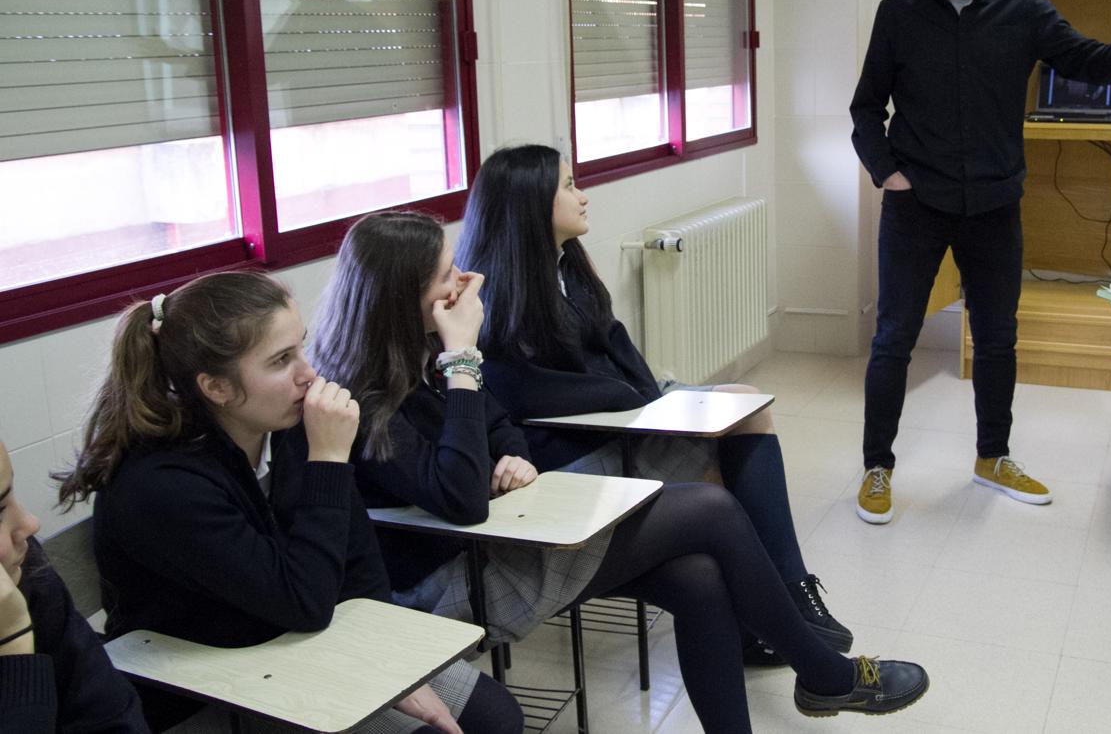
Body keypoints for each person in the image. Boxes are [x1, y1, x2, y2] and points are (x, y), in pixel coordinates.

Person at [307, 210, 930, 734]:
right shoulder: (359, 398)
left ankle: (817, 680)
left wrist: (510, 453)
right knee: (710, 511)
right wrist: (464, 359)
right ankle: (827, 675)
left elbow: (502, 427)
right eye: (448, 275)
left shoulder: (421, 354)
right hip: (450, 582)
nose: (467, 281)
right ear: (401, 297)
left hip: (506, 541)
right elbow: (462, 499)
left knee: (698, 575)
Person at [54, 271, 522, 734]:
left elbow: (359, 561)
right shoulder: (161, 485)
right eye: (281, 360)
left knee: (494, 715)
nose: (309, 373)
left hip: (300, 641)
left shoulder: (286, 426)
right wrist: (330, 461)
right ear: (215, 387)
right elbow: (304, 600)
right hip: (217, 681)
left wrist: (387, 657)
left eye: (302, 346)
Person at [453, 143, 851, 664]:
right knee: (727, 449)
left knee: (748, 405)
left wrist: (656, 398)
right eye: (569, 186)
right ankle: (778, 605)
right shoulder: (497, 296)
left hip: (626, 413)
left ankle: (779, 601)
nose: (584, 196)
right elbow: (529, 391)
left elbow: (616, 346)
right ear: (531, 203)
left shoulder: (567, 265)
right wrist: (640, 403)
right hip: (579, 443)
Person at [850, 0, 1111, 524]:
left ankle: (993, 457)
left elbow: (1080, 58)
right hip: (918, 203)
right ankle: (877, 467)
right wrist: (889, 174)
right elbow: (864, 110)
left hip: (993, 202)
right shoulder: (898, 13)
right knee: (893, 339)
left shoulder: (1022, 8)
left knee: (996, 339)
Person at [0, 440, 149, 734]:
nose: (30, 524)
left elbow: (113, 718)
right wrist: (14, 640)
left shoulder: (27, 572)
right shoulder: (159, 478)